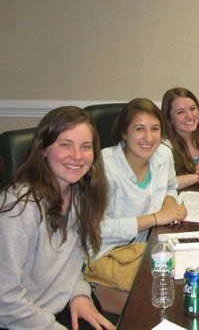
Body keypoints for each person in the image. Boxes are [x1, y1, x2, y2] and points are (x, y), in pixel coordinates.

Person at [0, 106, 115, 330]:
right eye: (65, 144)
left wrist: (80, 295)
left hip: (55, 308)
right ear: (43, 149)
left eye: (86, 147)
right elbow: (5, 299)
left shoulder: (80, 196)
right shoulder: (19, 207)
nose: (77, 156)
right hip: (16, 319)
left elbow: (73, 266)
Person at [90, 98, 187, 313]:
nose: (149, 138)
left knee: (186, 282)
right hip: (105, 255)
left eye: (155, 129)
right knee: (159, 307)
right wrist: (157, 218)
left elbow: (170, 186)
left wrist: (170, 203)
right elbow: (97, 228)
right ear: (124, 132)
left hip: (141, 250)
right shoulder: (104, 166)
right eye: (139, 129)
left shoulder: (163, 154)